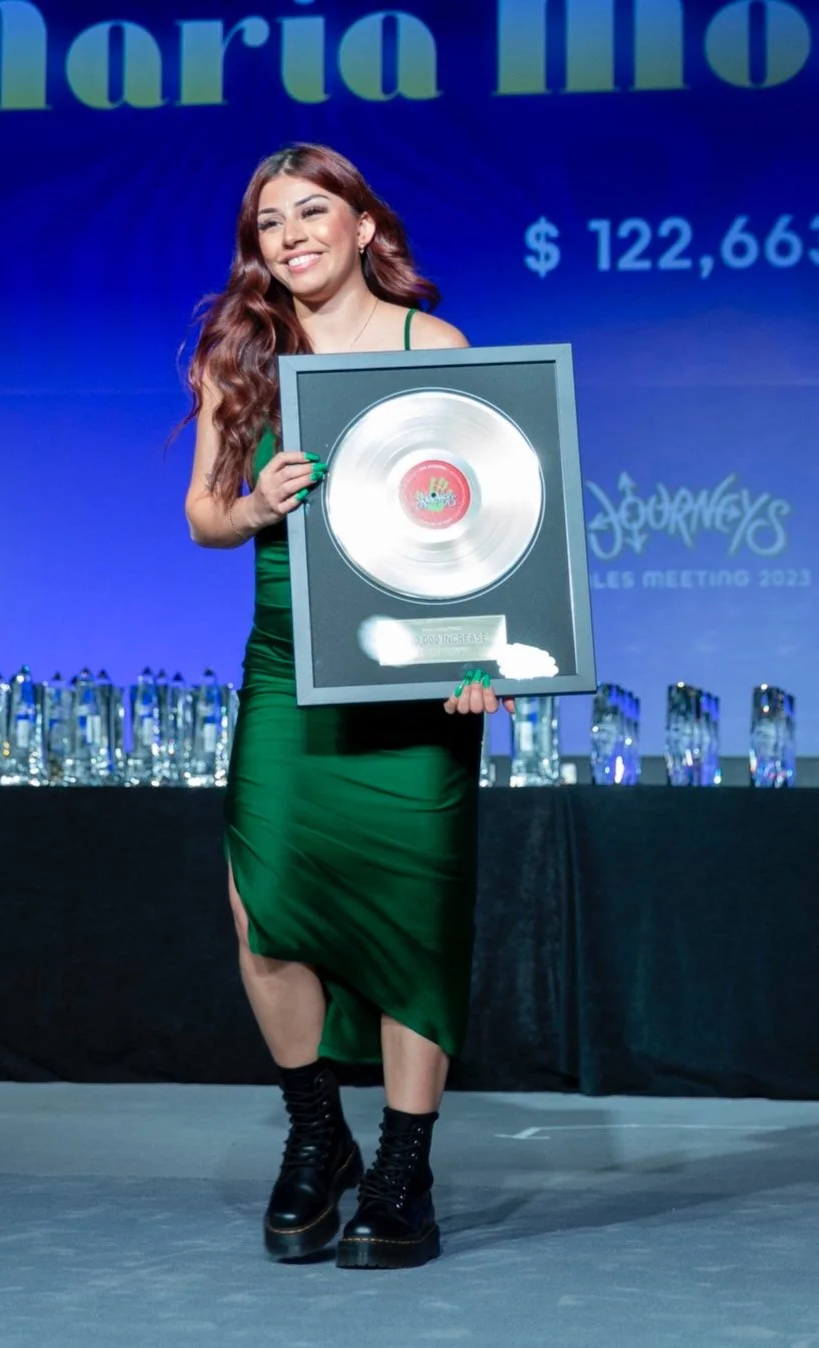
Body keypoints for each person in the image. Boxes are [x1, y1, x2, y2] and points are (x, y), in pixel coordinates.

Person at [184, 143, 509, 1270]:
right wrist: (254, 503)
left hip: (418, 680)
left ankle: (404, 1170)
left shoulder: (438, 349)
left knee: (416, 921)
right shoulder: (244, 353)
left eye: (312, 210)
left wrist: (487, 655)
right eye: (269, 221)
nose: (290, 235)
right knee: (259, 909)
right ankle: (315, 1138)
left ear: (366, 224)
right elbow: (202, 518)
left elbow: (485, 521)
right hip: (289, 673)